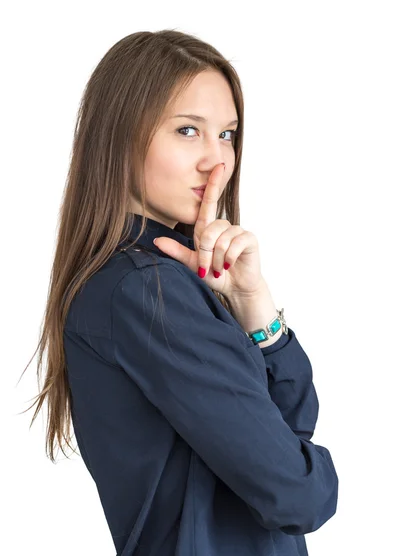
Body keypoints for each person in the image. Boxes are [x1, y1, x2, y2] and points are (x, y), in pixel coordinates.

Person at [21, 29, 339, 555]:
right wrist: (314, 473)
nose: (216, 160)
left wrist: (253, 304)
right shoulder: (145, 291)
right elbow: (299, 495)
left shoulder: (158, 279)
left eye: (228, 135)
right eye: (189, 131)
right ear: (119, 137)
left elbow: (289, 428)